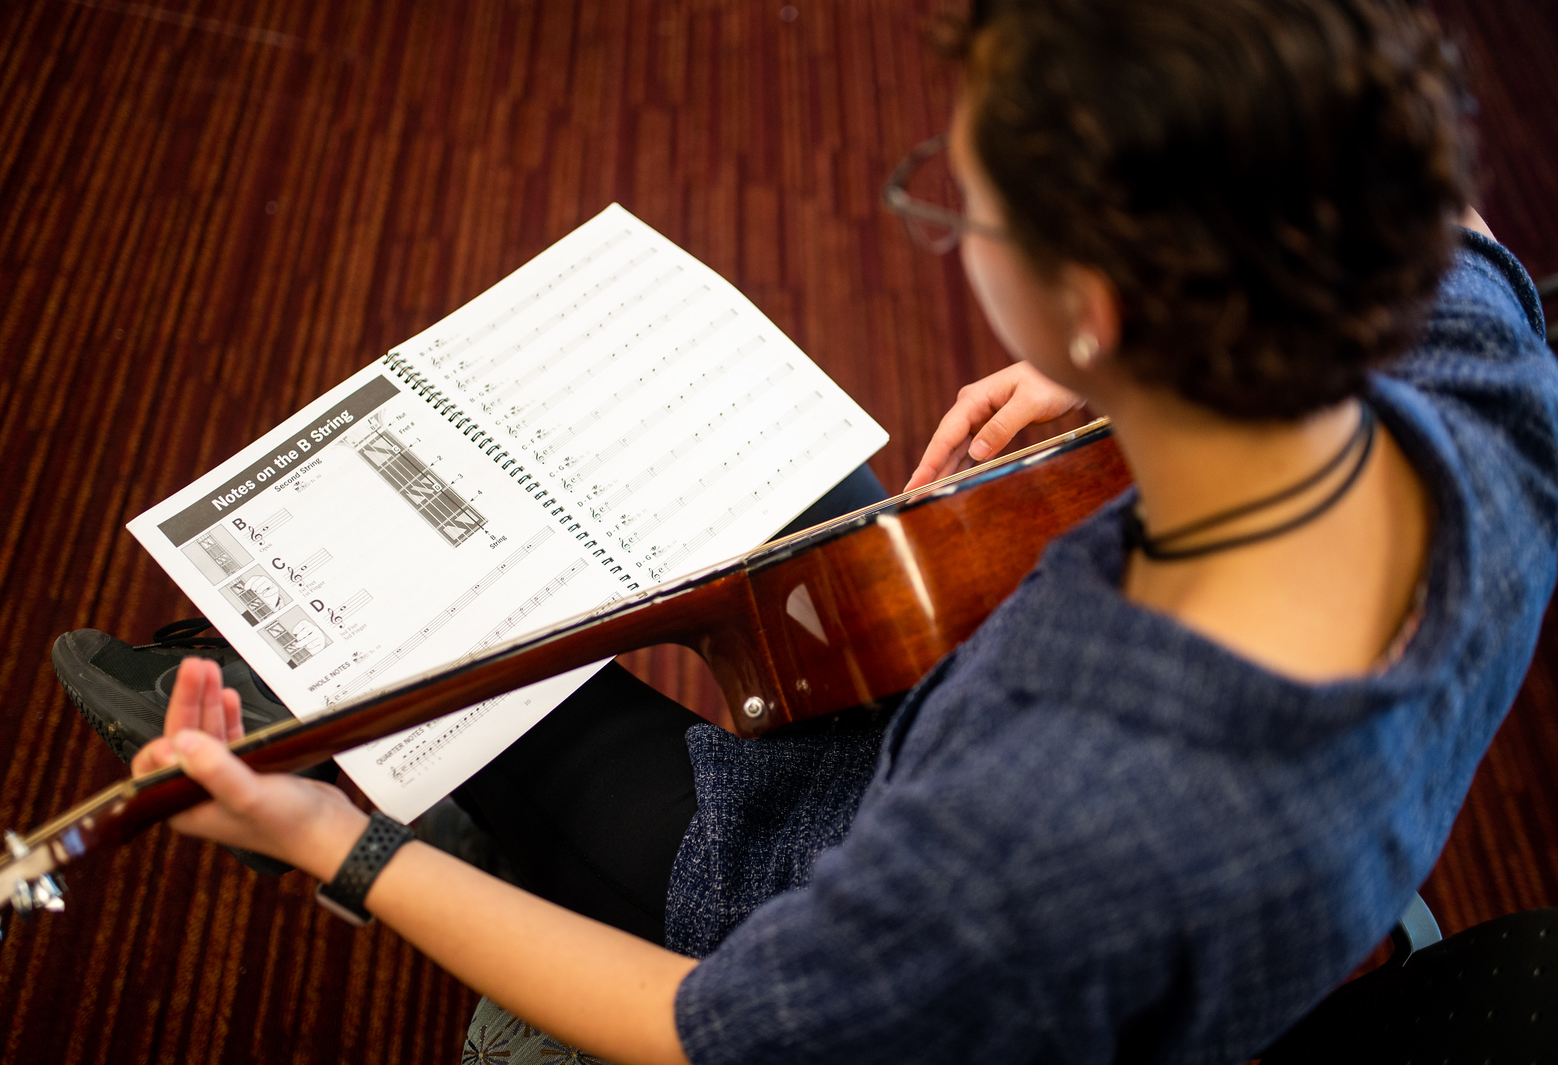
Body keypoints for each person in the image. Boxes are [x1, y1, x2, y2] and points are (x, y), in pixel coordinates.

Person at [124, 0, 1558, 1062]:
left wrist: (333, 843)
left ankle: (357, 779)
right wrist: (1103, 371)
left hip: (866, 887)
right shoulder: (1489, 380)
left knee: (489, 706)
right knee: (779, 526)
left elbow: (702, 1029)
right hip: (1229, 844)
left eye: (970, 205)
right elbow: (1447, 225)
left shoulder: (1034, 825)